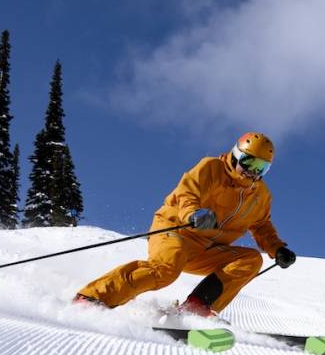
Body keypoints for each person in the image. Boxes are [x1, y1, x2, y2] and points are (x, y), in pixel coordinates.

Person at [73, 131, 296, 317]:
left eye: (261, 168)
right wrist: (193, 214)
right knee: (165, 271)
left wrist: (277, 248)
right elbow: (187, 193)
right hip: (175, 231)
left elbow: (261, 226)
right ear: (236, 156)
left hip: (205, 250)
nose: (252, 172)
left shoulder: (261, 196)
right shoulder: (212, 168)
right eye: (249, 162)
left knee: (250, 260)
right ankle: (93, 297)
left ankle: (196, 308)